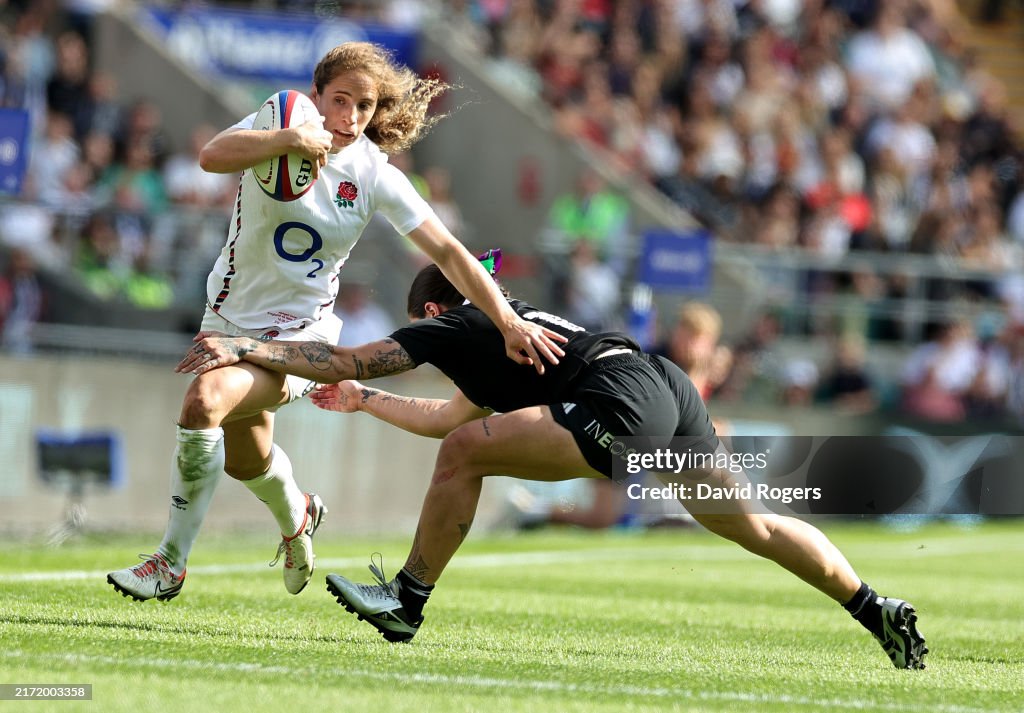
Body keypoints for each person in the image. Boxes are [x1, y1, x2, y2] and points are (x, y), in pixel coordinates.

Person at [180, 259, 928, 670]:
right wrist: (367, 400)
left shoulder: (458, 325)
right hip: (662, 383)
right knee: (752, 524)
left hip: (617, 397)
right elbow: (446, 417)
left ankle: (407, 599)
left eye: (423, 324)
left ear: (433, 313)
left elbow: (346, 356)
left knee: (466, 453)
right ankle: (874, 608)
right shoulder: (506, 332)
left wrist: (246, 346)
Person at [106, 42, 566, 603]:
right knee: (246, 461)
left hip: (301, 339)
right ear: (316, 96)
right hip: (225, 318)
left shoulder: (374, 175)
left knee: (204, 400)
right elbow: (212, 156)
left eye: (364, 106)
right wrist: (287, 140)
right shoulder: (279, 118)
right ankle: (299, 515)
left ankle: (169, 564)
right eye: (339, 100)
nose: (349, 117)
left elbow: (448, 251)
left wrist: (507, 322)